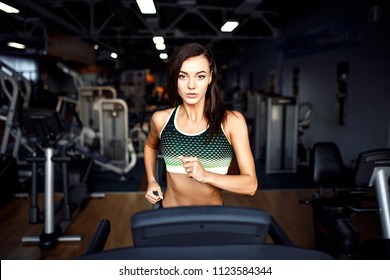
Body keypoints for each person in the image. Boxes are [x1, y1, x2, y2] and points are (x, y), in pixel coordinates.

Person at [144, 42, 258, 208]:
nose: (191, 85)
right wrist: (151, 180)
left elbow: (251, 185)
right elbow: (150, 145)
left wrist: (206, 175)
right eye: (183, 76)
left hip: (212, 220)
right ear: (175, 78)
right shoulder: (161, 120)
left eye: (200, 76)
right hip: (169, 216)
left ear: (210, 77)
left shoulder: (231, 122)